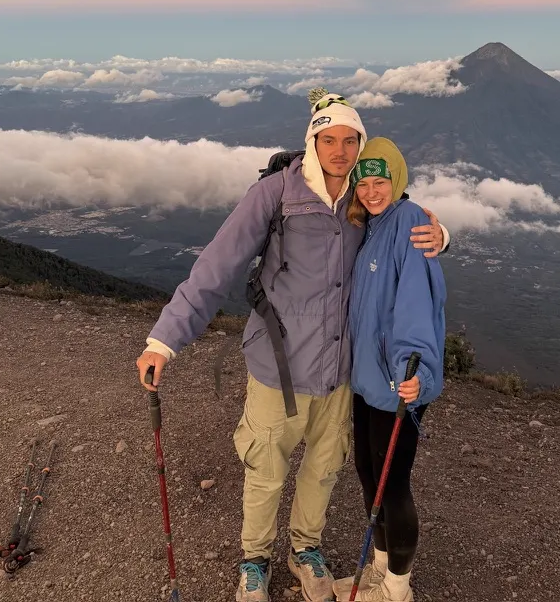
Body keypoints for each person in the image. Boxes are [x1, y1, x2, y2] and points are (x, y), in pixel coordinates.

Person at [135, 91, 449, 602]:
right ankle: (254, 560)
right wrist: (162, 341)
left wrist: (442, 236)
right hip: (276, 367)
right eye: (330, 139)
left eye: (351, 140)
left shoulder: (361, 199)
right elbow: (216, 269)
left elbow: (401, 224)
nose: (341, 151)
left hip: (340, 371)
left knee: (323, 470)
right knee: (265, 469)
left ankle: (306, 550)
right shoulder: (275, 195)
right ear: (312, 141)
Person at [333, 138, 446, 602]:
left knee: (392, 484)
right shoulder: (372, 224)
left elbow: (416, 307)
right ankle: (379, 572)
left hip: (398, 383)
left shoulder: (412, 223)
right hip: (367, 381)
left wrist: (411, 370)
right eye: (365, 181)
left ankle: (397, 589)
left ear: (397, 182)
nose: (372, 191)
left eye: (382, 182)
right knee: (367, 472)